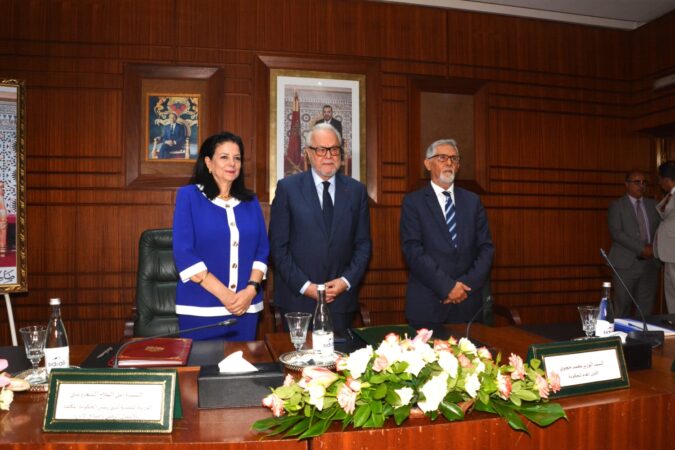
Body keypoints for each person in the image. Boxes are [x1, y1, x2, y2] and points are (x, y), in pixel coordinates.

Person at [269, 123, 371, 335]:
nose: (328, 156)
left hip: (340, 301)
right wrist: (306, 286)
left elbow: (363, 245)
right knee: (298, 356)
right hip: (297, 300)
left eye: (334, 149)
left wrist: (345, 282)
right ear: (308, 153)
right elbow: (278, 248)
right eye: (321, 150)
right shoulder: (288, 188)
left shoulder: (356, 191)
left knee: (339, 356)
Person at [172, 131, 269, 340]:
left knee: (244, 361)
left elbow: (262, 251)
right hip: (200, 309)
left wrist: (250, 291)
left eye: (237, 158)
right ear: (208, 162)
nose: (232, 163)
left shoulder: (251, 201)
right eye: (224, 157)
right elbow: (184, 253)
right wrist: (226, 296)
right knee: (201, 362)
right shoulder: (189, 196)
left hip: (246, 308)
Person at [400, 139, 494, 332]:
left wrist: (464, 286)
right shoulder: (413, 203)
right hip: (428, 305)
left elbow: (486, 249)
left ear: (458, 166)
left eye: (454, 159)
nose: (449, 163)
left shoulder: (473, 201)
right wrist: (447, 287)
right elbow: (413, 252)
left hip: (468, 305)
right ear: (428, 164)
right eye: (442, 158)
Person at [607, 171, 661, 317]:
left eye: (644, 182)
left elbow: (661, 229)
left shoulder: (654, 205)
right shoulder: (617, 205)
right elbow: (617, 233)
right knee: (622, 307)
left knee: (645, 309)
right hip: (626, 264)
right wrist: (642, 248)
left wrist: (654, 248)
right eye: (637, 182)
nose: (641, 186)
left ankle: (642, 332)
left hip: (650, 264)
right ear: (626, 184)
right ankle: (618, 332)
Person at [654, 160, 675, 313]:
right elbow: (663, 212)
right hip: (668, 253)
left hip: (673, 250)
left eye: (660, 179)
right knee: (670, 291)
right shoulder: (670, 195)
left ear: (666, 179)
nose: (659, 183)